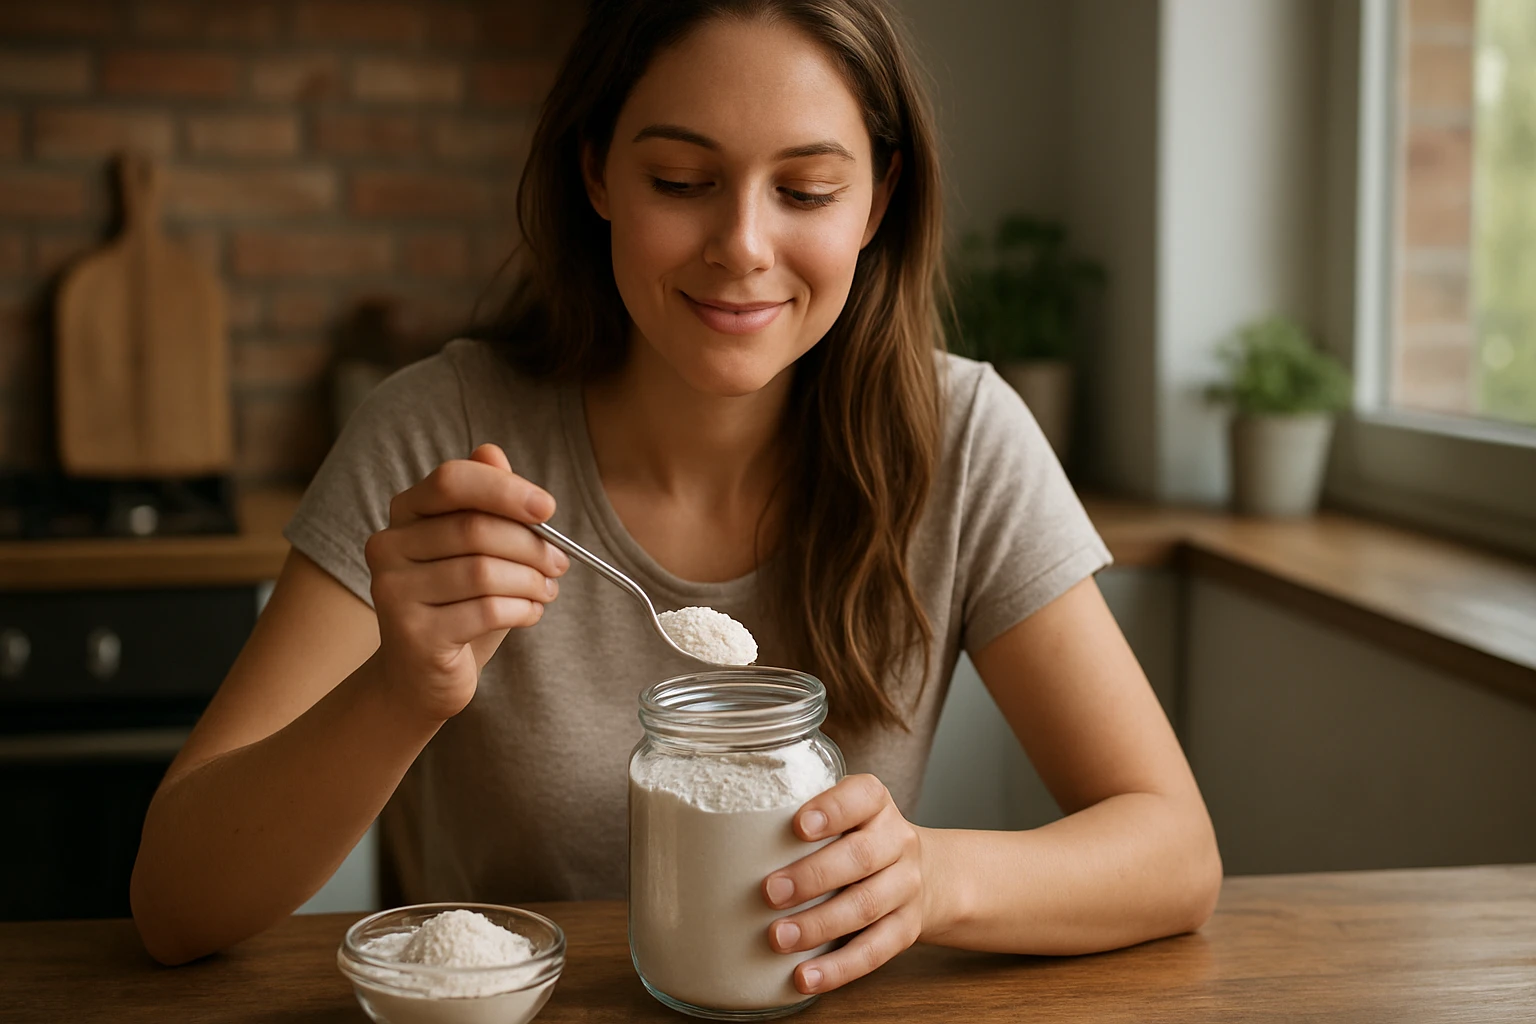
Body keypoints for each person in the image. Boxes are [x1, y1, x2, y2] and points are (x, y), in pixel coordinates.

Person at [131, 0, 1222, 993]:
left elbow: (1176, 852)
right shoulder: (439, 436)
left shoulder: (961, 440)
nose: (742, 245)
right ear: (598, 174)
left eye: (806, 190)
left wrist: (934, 879)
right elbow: (176, 904)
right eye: (682, 182)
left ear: (878, 201)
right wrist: (401, 689)